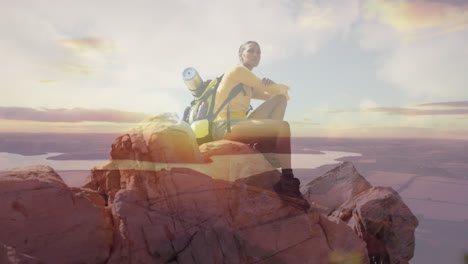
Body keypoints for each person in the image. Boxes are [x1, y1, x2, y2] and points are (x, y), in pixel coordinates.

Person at [211, 41, 310, 210]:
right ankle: (287, 181)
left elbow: (275, 96)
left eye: (258, 52)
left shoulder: (246, 83)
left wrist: (273, 89)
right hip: (225, 127)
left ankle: (266, 147)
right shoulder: (237, 71)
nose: (256, 55)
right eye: (251, 51)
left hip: (240, 124)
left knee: (279, 100)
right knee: (282, 126)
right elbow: (277, 89)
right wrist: (275, 87)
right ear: (240, 54)